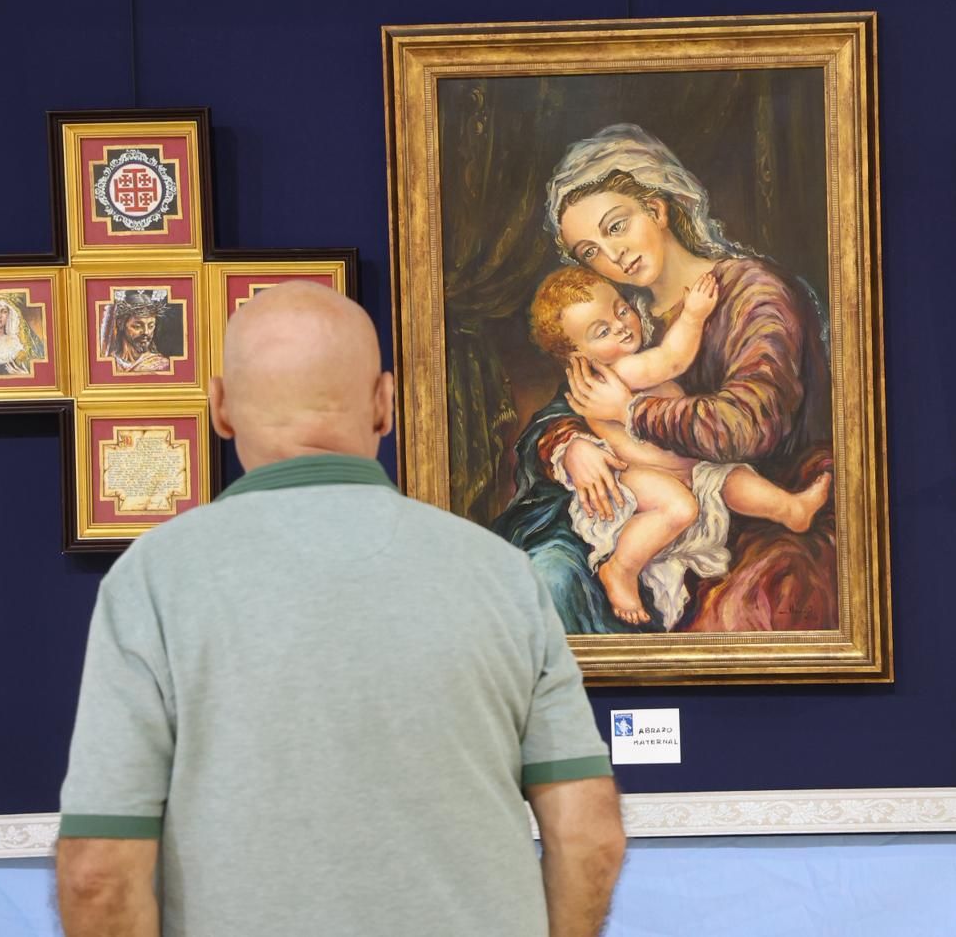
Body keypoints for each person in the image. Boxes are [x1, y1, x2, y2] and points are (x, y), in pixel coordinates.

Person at [56, 282, 624, 937]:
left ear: (219, 409)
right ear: (384, 404)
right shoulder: (504, 574)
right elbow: (589, 837)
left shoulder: (151, 581)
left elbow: (99, 872)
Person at [491, 124, 835, 635]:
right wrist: (570, 447)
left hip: (752, 503)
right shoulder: (625, 320)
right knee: (549, 577)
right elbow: (571, 405)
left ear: (656, 209)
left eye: (616, 226)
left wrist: (630, 413)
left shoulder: (753, 294)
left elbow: (749, 425)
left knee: (743, 610)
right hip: (644, 493)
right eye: (589, 252)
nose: (613, 258)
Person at [528, 266, 832, 627]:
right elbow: (675, 357)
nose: (623, 325)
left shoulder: (616, 366)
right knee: (679, 507)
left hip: (685, 468)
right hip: (634, 476)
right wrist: (694, 315)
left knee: (732, 478)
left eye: (621, 309)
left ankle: (790, 510)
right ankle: (620, 570)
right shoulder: (623, 371)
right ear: (577, 356)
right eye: (603, 330)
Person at [99, 289, 172, 372]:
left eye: (151, 326)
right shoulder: (108, 361)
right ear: (120, 324)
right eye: (137, 326)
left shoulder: (161, 365)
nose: (146, 332)